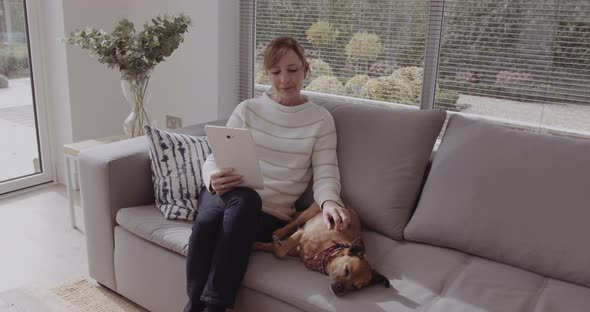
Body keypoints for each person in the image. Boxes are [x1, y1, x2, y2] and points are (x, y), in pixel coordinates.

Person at [184, 36, 350, 312]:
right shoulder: (247, 110)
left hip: (268, 215)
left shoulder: (320, 120)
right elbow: (214, 158)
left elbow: (326, 173)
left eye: (293, 70)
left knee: (237, 207)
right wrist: (212, 178)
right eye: (276, 72)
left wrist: (330, 201)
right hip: (224, 195)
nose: (285, 79)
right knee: (209, 221)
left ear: (306, 70)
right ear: (267, 74)